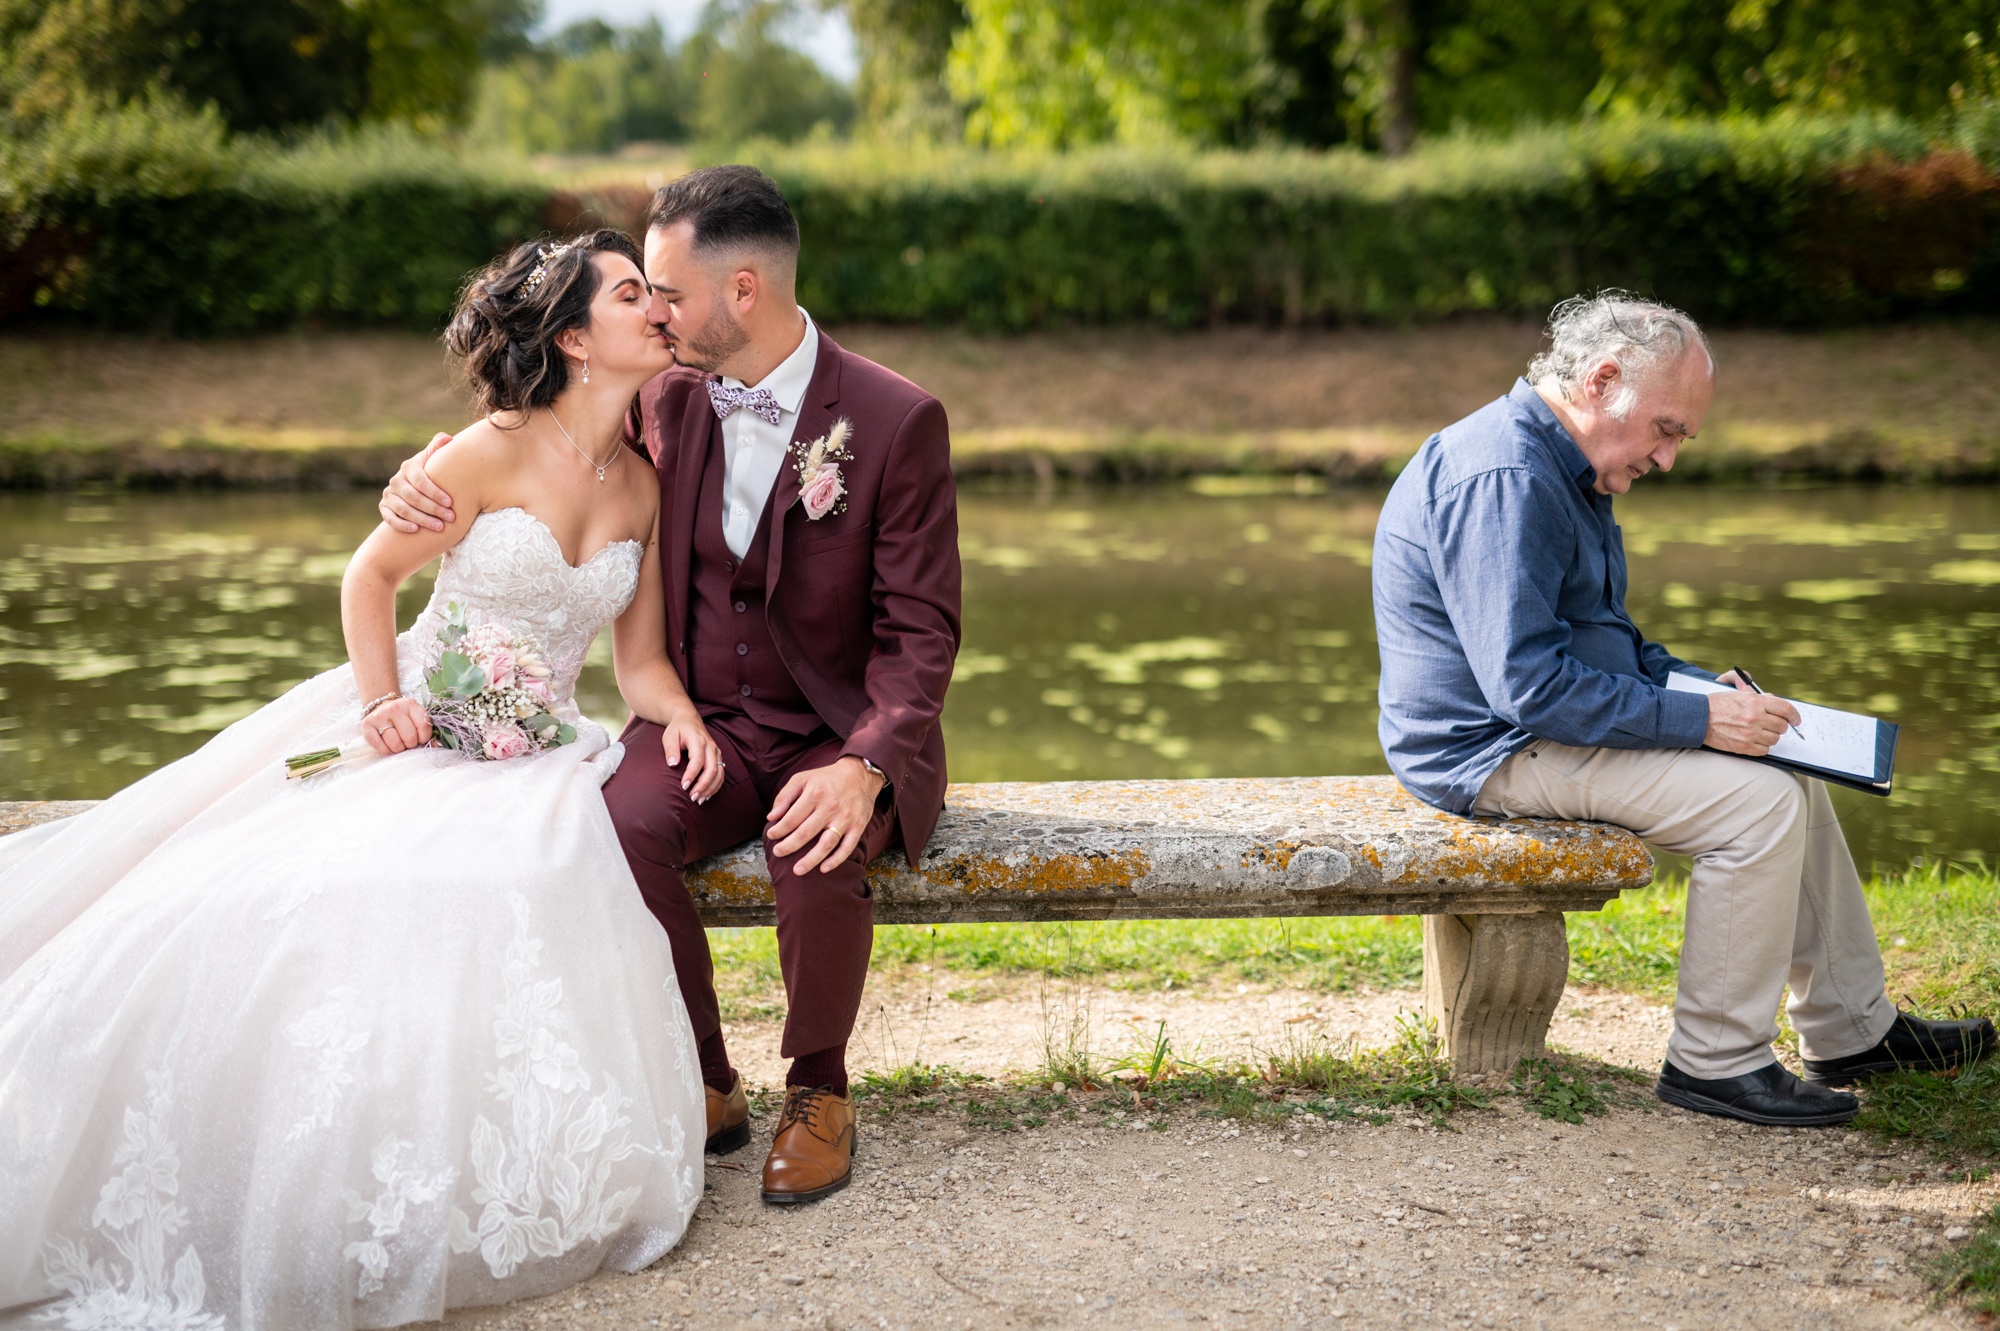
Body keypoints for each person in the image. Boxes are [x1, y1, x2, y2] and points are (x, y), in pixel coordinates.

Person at [0, 230, 709, 1326]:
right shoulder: (482, 450)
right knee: (315, 887)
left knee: (530, 881)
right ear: (574, 336)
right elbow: (369, 575)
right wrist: (385, 702)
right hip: (418, 715)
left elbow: (640, 662)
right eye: (631, 293)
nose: (657, 306)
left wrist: (684, 721)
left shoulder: (645, 485)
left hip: (538, 743)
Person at [381, 166, 963, 1204]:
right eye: (639, 294)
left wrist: (868, 763)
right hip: (708, 722)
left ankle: (819, 1090)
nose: (654, 310)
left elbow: (921, 635)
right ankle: (705, 1074)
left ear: (741, 290)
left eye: (669, 291)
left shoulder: (893, 419)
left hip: (839, 728)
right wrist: (424, 475)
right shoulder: (664, 397)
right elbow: (543, 440)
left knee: (812, 836)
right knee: (617, 820)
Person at [1372, 291, 1994, 1128]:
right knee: (1758, 802)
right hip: (1491, 750)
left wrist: (1714, 693)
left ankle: (1852, 1029)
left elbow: (1610, 646)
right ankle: (1715, 1061)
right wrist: (1702, 723)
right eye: (1667, 429)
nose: (1668, 458)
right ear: (1600, 381)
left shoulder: (1564, 465)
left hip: (1535, 725)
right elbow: (1529, 687)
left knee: (1788, 766)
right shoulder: (1507, 477)